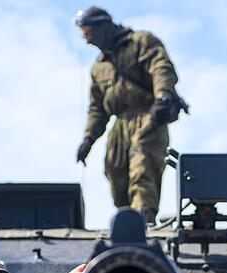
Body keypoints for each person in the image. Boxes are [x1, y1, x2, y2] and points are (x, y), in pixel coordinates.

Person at [74, 6, 182, 224]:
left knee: (142, 164)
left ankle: (143, 219)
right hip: (119, 123)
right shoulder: (98, 67)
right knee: (115, 170)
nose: (87, 40)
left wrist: (162, 96)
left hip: (148, 115)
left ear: (102, 26)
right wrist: (88, 138)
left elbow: (161, 67)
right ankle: (128, 222)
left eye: (88, 33)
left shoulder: (140, 42)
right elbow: (97, 108)